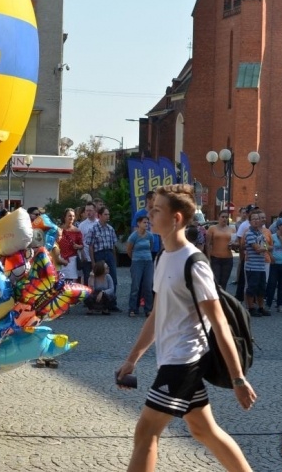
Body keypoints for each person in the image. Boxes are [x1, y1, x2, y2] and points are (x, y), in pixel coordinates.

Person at [117, 184, 255, 472]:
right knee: (204, 430)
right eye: (150, 209)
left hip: (184, 362)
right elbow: (156, 315)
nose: (149, 215)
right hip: (172, 359)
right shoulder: (163, 257)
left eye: (156, 210)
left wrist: (238, 380)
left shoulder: (194, 263)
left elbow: (219, 324)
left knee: (145, 432)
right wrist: (132, 359)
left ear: (176, 218)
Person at [85, 206, 121, 311]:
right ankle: (96, 301)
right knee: (98, 277)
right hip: (99, 254)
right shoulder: (93, 229)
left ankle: (112, 303)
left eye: (108, 214)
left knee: (113, 278)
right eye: (105, 214)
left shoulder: (110, 228)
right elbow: (90, 246)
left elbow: (114, 245)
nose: (107, 216)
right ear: (99, 216)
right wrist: (93, 261)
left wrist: (114, 259)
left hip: (109, 253)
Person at [126, 216, 154, 318]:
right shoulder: (134, 236)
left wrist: (146, 255)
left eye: (147, 223)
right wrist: (135, 258)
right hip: (137, 262)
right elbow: (129, 250)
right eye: (144, 222)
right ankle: (132, 308)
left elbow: (151, 246)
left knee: (148, 286)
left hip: (148, 262)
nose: (146, 224)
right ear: (138, 223)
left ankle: (148, 309)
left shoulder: (150, 236)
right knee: (135, 286)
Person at [265, 217, 282, 313]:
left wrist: (280, 236)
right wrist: (270, 256)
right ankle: (268, 304)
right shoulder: (272, 237)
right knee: (271, 284)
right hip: (275, 263)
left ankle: (280, 304)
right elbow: (265, 246)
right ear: (279, 226)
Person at [206, 210, 235, 290]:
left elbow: (235, 245)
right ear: (218, 218)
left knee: (224, 282)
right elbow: (207, 244)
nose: (224, 219)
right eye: (222, 217)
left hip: (228, 259)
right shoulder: (212, 228)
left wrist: (233, 245)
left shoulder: (232, 230)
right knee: (216, 281)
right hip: (215, 258)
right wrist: (208, 258)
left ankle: (222, 300)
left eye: (226, 217)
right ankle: (215, 299)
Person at [132, 191, 162, 261]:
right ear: (148, 200)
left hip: (156, 249)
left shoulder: (158, 214)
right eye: (154, 200)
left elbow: (161, 233)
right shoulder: (139, 214)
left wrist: (161, 248)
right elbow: (135, 231)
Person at [57, 208, 83, 282]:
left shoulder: (77, 231)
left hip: (72, 260)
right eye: (69, 216)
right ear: (64, 217)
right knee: (60, 282)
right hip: (60, 259)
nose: (71, 218)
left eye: (73, 216)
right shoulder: (59, 230)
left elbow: (82, 245)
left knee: (71, 283)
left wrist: (78, 246)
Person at [77, 202, 98, 288]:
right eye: (86, 211)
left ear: (95, 211)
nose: (88, 212)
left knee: (98, 278)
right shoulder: (82, 225)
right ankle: (87, 299)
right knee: (87, 278)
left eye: (90, 210)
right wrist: (82, 254)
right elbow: (79, 241)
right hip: (86, 256)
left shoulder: (98, 223)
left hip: (97, 254)